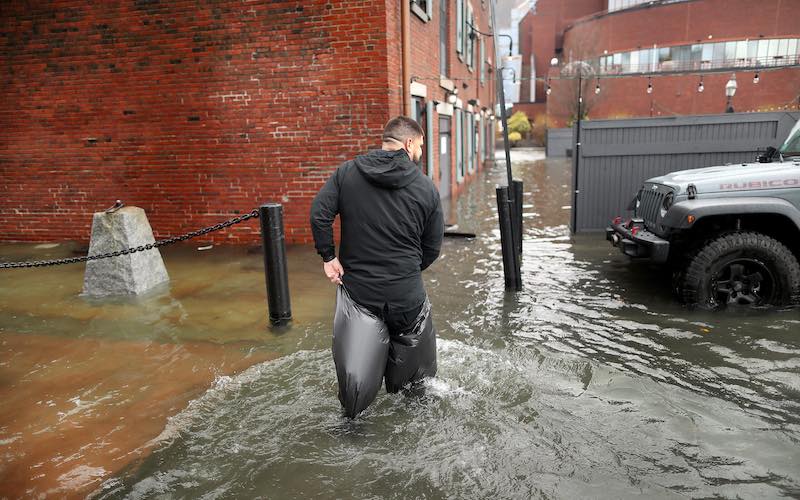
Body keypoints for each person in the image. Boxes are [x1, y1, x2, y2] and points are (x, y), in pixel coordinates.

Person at [310, 116, 444, 416]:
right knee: (414, 395)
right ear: (409, 143)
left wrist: (329, 258)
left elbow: (319, 215)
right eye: (421, 145)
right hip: (407, 296)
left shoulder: (347, 173)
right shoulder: (426, 188)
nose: (420, 152)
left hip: (361, 294)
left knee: (354, 399)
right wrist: (406, 270)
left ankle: (352, 429)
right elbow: (433, 246)